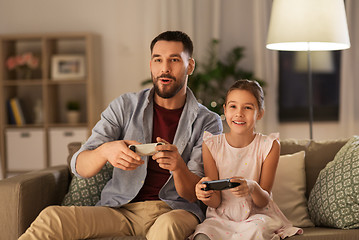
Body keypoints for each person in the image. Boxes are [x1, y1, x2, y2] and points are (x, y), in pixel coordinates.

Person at [19, 31, 223, 240]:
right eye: (158, 59)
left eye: (174, 60)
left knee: (167, 228)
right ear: (150, 64)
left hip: (174, 211)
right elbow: (80, 166)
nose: (165, 68)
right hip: (119, 210)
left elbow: (194, 194)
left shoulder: (208, 121)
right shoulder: (125, 106)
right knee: (53, 217)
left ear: (190, 66)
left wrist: (178, 166)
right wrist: (106, 151)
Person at [191, 79, 302, 240]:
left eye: (248, 107)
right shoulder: (211, 145)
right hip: (221, 218)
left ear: (260, 113)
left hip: (256, 217)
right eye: (233, 106)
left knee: (257, 230)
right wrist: (205, 194)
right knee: (202, 235)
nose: (239, 113)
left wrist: (251, 187)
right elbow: (215, 201)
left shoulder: (269, 145)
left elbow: (263, 201)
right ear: (225, 110)